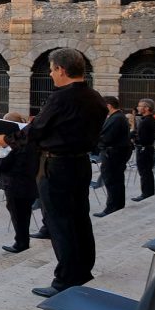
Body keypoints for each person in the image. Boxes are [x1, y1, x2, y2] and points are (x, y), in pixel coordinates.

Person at [27, 48, 108, 297]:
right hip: (80, 163)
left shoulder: (61, 98)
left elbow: (38, 130)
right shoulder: (95, 97)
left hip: (57, 165)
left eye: (52, 69)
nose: (51, 75)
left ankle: (65, 279)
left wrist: (8, 139)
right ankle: (83, 269)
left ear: (61, 70)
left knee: (59, 222)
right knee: (80, 218)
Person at [0, 120, 38, 253]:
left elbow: (2, 165)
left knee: (18, 215)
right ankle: (22, 241)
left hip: (14, 184)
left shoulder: (13, 146)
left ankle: (21, 242)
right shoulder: (30, 142)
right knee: (24, 213)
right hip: (30, 182)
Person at [95, 96, 131, 216]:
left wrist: (95, 140)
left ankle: (112, 207)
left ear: (108, 106)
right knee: (116, 180)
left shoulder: (116, 119)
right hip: (116, 153)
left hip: (113, 154)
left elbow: (107, 138)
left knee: (112, 180)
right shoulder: (117, 117)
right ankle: (118, 205)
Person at [131, 99, 155, 202]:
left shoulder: (146, 121)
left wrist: (134, 138)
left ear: (146, 108)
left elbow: (142, 138)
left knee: (144, 172)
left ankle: (146, 193)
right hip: (148, 148)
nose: (138, 108)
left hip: (144, 149)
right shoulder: (150, 120)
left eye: (140, 106)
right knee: (147, 172)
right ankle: (148, 192)